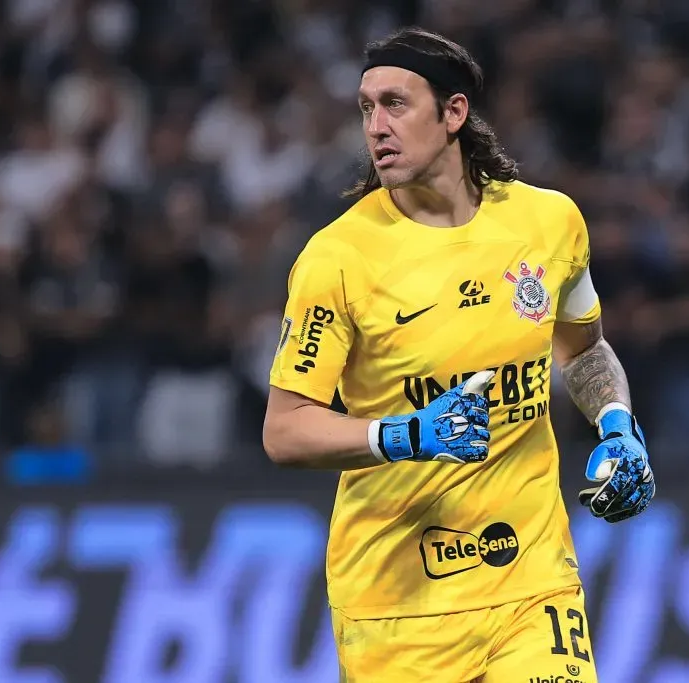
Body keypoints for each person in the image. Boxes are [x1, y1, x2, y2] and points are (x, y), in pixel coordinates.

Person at [263, 26, 655, 683]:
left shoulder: (549, 223)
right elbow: (283, 428)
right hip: (396, 607)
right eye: (366, 108)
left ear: (454, 113)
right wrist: (405, 433)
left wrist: (618, 425)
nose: (376, 127)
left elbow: (585, 352)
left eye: (395, 104)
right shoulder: (338, 259)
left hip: (530, 583)